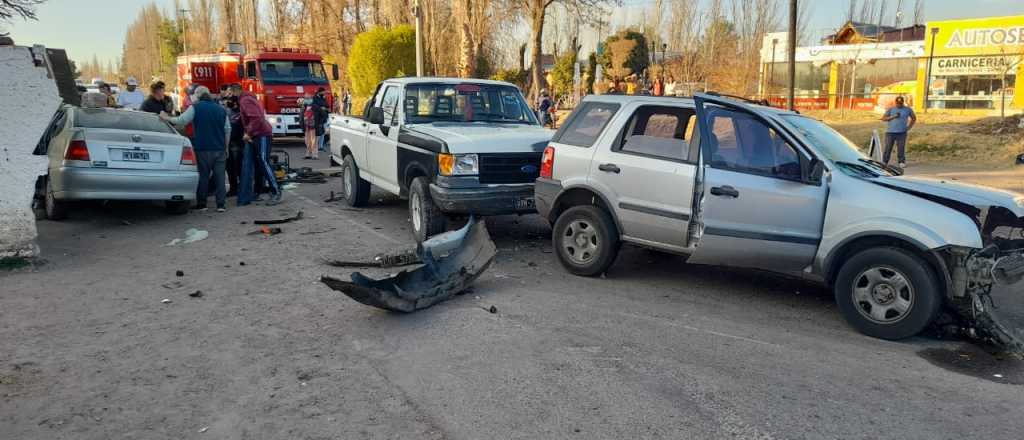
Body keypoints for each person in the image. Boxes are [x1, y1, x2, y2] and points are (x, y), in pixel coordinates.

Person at [160, 86, 231, 212]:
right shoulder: (221, 109)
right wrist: (226, 148)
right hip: (219, 149)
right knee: (220, 178)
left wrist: (166, 118)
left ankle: (202, 204)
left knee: (203, 176)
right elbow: (227, 130)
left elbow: (181, 121)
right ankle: (221, 205)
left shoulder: (195, 108)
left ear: (198, 95)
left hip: (202, 148)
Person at [230, 83, 281, 206]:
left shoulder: (245, 100)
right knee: (254, 164)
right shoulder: (248, 98)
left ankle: (276, 191)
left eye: (229, 93)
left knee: (263, 161)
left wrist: (249, 133)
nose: (228, 95)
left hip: (261, 134)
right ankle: (253, 193)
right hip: (257, 134)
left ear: (235, 91)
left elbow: (256, 118)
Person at [880, 95, 916, 168]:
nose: (899, 105)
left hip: (902, 132)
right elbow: (883, 118)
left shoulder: (908, 109)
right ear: (895, 102)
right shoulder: (891, 109)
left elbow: (913, 118)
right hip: (890, 132)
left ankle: (901, 162)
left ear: (903, 102)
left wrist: (909, 127)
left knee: (901, 148)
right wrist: (893, 117)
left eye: (900, 103)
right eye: (898, 103)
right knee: (888, 147)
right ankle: (885, 161)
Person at [223, 95, 245, 197]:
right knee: (231, 168)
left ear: (235, 102)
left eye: (229, 101)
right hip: (231, 143)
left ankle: (238, 188)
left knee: (237, 168)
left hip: (237, 143)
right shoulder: (228, 112)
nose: (227, 102)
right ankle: (234, 188)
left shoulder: (240, 113)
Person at [312, 88, 329, 154]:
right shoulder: (314, 98)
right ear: (319, 92)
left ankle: (320, 147)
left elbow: (327, 106)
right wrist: (320, 108)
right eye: (323, 92)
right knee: (318, 132)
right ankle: (315, 146)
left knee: (323, 132)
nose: (324, 93)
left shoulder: (323, 98)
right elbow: (313, 106)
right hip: (317, 118)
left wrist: (326, 108)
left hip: (324, 117)